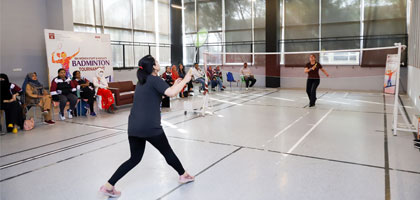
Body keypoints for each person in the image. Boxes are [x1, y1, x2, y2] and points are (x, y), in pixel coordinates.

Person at [99, 55, 195, 198]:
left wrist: (175, 84)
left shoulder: (142, 82)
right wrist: (186, 80)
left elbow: (162, 94)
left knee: (134, 159)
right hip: (150, 127)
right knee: (167, 153)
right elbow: (171, 93)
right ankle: (183, 175)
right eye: (156, 61)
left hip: (133, 126)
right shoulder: (155, 79)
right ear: (153, 67)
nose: (158, 62)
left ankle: (108, 185)